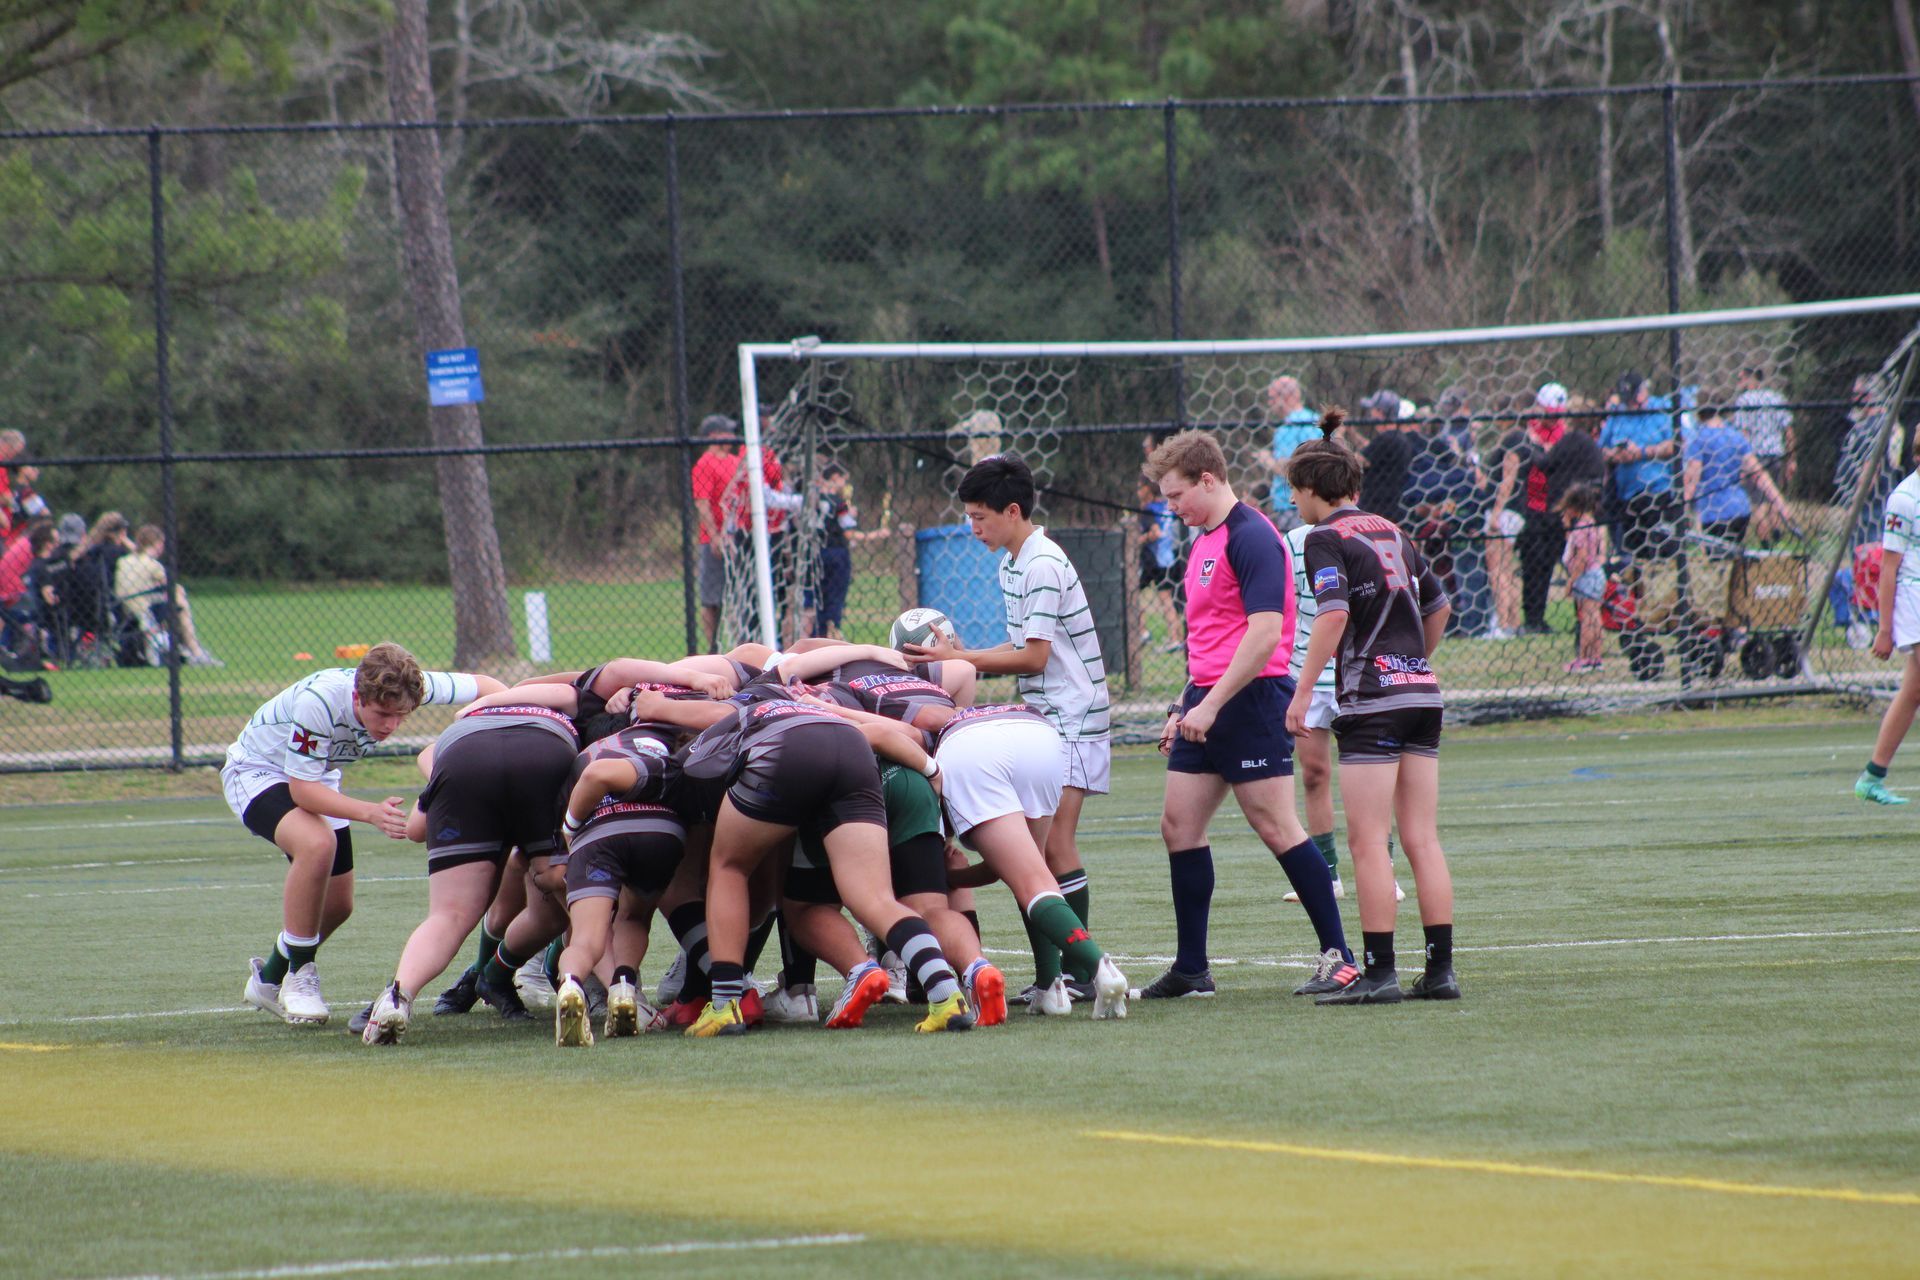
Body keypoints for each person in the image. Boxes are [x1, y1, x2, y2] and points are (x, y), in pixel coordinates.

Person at [1136, 428, 1356, 1001]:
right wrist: (1185, 703)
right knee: (1179, 826)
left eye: (1177, 494)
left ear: (1207, 479)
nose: (1172, 507)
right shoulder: (1203, 538)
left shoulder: (1253, 536)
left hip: (1251, 699)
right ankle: (1192, 969)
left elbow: (1263, 636)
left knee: (1277, 826)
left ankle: (1340, 958)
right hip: (1207, 702)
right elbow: (1212, 638)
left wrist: (1210, 705)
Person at [902, 453, 1110, 1004]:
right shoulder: (1011, 562)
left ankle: (1077, 976)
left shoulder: (1041, 563)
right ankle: (1055, 980)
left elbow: (1035, 658)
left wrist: (963, 658)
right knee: (1038, 855)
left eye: (978, 517)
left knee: (1052, 848)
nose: (971, 529)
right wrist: (959, 656)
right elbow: (1017, 648)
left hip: (1075, 716)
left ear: (1012, 511)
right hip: (1046, 716)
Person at [226, 642, 504, 1027]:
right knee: (316, 844)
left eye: (401, 716)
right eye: (383, 714)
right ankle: (300, 976)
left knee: (338, 905)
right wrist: (370, 813)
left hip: (315, 774)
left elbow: (490, 687)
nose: (391, 725)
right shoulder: (319, 701)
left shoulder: (413, 685)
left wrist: (493, 722)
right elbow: (301, 792)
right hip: (256, 772)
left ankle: (269, 977)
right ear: (358, 695)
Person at [1285, 412, 1459, 1005]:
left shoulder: (1323, 537)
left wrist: (1305, 692)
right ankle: (1440, 973)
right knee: (1422, 839)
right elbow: (1438, 607)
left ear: (1311, 490)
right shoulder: (1394, 530)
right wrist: (1412, 659)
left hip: (1372, 701)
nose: (1293, 502)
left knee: (1366, 841)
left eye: (1294, 491)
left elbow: (1332, 615)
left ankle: (1380, 973)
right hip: (1421, 694)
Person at [359, 681, 598, 1045]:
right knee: (574, 896)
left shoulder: (473, 719)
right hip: (543, 759)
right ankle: (605, 988)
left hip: (463, 758)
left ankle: (397, 995)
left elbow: (416, 829)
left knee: (449, 915)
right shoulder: (578, 711)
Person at [1856, 460, 1920, 805]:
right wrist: (1884, 629)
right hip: (1915, 599)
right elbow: (1889, 567)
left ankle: (1872, 776)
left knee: (1913, 692)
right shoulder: (1904, 499)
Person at [1499, 383, 1569, 635]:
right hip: (1529, 507)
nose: (1553, 419)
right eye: (1548, 413)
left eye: (1556, 413)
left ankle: (1539, 618)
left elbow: (1554, 459)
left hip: (1553, 508)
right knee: (1531, 565)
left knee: (1547, 565)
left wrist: (1540, 445)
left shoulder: (1563, 430)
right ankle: (1530, 619)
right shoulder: (1528, 428)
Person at [1600, 371, 1682, 561]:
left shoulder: (1661, 410)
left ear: (1643, 392)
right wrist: (1616, 455)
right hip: (1627, 497)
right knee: (1634, 556)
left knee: (1662, 552)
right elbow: (1601, 448)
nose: (1629, 404)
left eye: (1632, 398)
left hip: (1658, 493)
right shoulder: (1617, 414)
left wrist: (1642, 453)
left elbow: (1676, 444)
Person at [113, 524, 220, 667]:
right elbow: (173, 587)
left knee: (174, 599)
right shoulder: (153, 565)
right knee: (180, 600)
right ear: (157, 544)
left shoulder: (124, 561)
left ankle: (187, 649)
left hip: (123, 609)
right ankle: (195, 650)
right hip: (145, 610)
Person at [1683, 405, 1792, 545]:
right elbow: (1758, 473)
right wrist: (1780, 503)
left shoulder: (1698, 439)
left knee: (1719, 562)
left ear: (1699, 413)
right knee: (1735, 557)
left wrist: (1682, 511)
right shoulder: (1735, 436)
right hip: (1740, 510)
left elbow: (1692, 480)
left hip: (1713, 512)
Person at [689, 415, 738, 651]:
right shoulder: (704, 463)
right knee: (711, 598)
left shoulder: (735, 461)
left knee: (736, 596)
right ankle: (712, 647)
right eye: (726, 433)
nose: (731, 437)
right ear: (713, 436)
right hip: (714, 538)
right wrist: (715, 535)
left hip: (737, 536)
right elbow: (702, 503)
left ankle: (738, 644)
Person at [1732, 366, 1794, 542]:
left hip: (1756, 456)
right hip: (1777, 454)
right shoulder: (1777, 398)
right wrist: (1791, 459)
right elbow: (1789, 432)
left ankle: (1765, 542)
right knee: (1774, 496)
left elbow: (1743, 434)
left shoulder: (1744, 401)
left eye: (1740, 379)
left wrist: (1742, 464)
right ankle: (1777, 535)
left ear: (1750, 378)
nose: (1739, 383)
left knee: (1758, 501)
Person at [1262, 376, 1322, 532]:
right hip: (1317, 500)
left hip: (1291, 505)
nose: (1270, 403)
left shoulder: (1287, 427)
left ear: (1287, 397)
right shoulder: (1315, 420)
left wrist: (1267, 460)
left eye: (1272, 398)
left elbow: (1286, 469)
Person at [1558, 483, 1607, 673]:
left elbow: (1581, 557)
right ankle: (1596, 658)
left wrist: (1571, 581)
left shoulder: (1580, 528)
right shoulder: (1590, 524)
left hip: (1586, 576)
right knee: (1595, 617)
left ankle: (1584, 659)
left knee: (1586, 619)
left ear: (1573, 507)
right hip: (1596, 575)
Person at [1135, 474, 1185, 652]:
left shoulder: (1148, 510)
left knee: (1131, 594)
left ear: (1147, 489)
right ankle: (1175, 639)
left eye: (1139, 487)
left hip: (1153, 561)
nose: (1138, 492)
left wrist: (1137, 540)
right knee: (1167, 600)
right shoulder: (1166, 507)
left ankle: (1142, 632)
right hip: (1170, 559)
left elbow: (1155, 533)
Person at [1357, 390, 1415, 528]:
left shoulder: (1386, 439)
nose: (1370, 414)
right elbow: (1370, 449)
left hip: (1376, 509)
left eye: (1373, 410)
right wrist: (1352, 433)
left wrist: (1338, 437)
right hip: (1391, 507)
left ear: (1380, 412)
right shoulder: (1398, 438)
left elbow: (1356, 461)